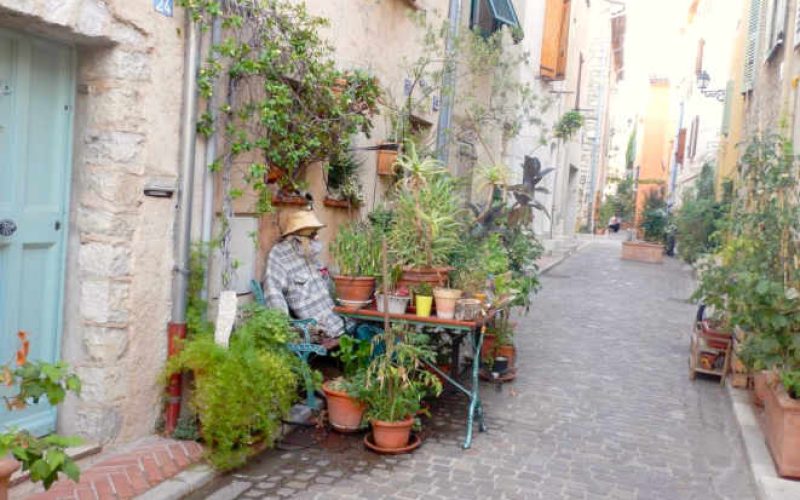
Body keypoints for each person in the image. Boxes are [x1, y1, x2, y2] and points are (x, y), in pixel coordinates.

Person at [263, 208, 345, 338]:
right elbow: (273, 292)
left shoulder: (308, 251)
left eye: (316, 232)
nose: (317, 237)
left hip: (335, 321)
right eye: (312, 234)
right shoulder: (280, 255)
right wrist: (285, 327)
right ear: (298, 236)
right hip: (317, 328)